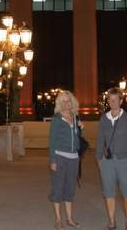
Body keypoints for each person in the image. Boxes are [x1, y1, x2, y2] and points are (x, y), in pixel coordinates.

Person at [97, 87, 127, 230]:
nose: (113, 102)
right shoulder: (104, 119)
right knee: (109, 192)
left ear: (121, 101)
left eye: (115, 100)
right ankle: (112, 222)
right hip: (107, 162)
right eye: (110, 100)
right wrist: (99, 159)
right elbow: (100, 140)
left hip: (123, 160)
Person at [48, 90, 83, 229]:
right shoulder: (57, 119)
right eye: (64, 101)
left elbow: (77, 137)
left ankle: (69, 218)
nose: (67, 103)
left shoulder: (75, 117)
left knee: (70, 188)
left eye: (69, 100)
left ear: (72, 101)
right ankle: (58, 220)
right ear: (60, 103)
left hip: (74, 158)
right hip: (60, 157)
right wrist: (53, 160)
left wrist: (80, 128)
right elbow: (52, 141)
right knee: (58, 188)